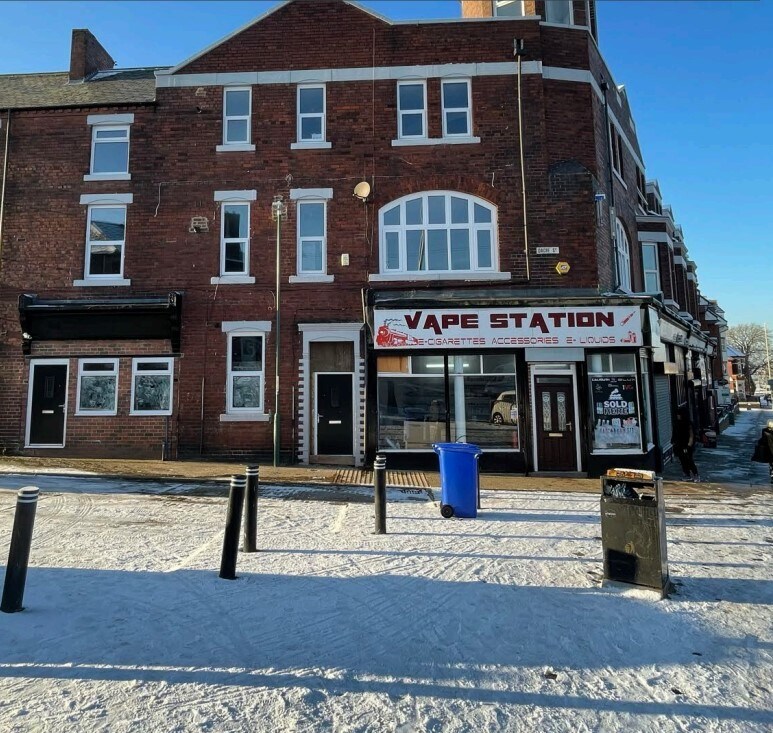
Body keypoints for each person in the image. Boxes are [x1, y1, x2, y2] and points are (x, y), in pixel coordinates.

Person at [672, 407, 700, 481]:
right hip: (679, 444)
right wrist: (673, 440)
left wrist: (688, 446)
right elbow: (675, 433)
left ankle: (695, 474)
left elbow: (691, 436)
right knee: (682, 460)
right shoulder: (677, 423)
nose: (678, 416)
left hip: (686, 445)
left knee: (689, 460)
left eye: (679, 414)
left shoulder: (688, 424)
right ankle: (687, 474)